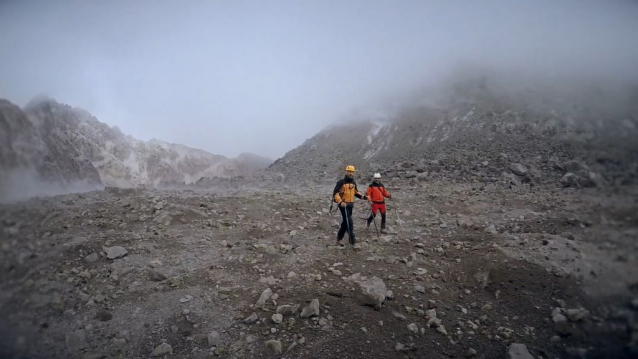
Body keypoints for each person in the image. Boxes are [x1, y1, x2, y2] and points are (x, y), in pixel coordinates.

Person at [333, 165, 367, 245]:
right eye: (349, 171)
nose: (351, 173)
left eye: (352, 172)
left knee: (345, 222)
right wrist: (341, 202)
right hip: (343, 205)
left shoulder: (353, 182)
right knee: (349, 222)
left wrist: (364, 197)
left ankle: (339, 238)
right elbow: (335, 194)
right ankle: (352, 241)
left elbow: (356, 192)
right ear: (346, 172)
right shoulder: (341, 182)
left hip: (350, 205)